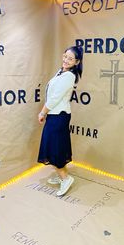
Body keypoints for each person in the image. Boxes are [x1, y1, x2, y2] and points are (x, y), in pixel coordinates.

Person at [37, 46, 83, 196]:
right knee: (57, 146)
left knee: (53, 148)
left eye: (70, 59)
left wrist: (43, 112)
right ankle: (61, 175)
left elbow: (55, 98)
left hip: (58, 116)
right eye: (65, 56)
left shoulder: (69, 76)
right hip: (57, 115)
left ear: (77, 62)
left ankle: (65, 178)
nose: (66, 60)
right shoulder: (62, 71)